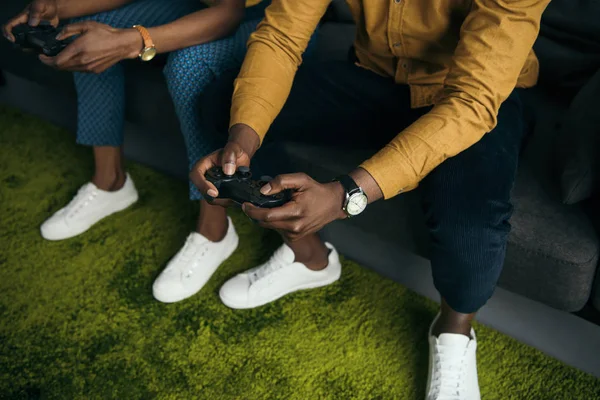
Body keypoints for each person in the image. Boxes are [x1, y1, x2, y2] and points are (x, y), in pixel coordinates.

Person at [187, 0, 550, 398]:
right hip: (375, 76)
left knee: (471, 222)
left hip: (466, 97)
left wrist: (346, 195)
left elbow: (471, 102)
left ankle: (453, 330)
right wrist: (243, 139)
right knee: (222, 105)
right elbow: (281, 36)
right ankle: (310, 259)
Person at [2, 0, 272, 302]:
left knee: (188, 66)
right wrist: (59, 8)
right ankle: (111, 181)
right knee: (86, 34)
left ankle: (215, 229)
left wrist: (136, 41)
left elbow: (229, 12)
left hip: (263, 13)